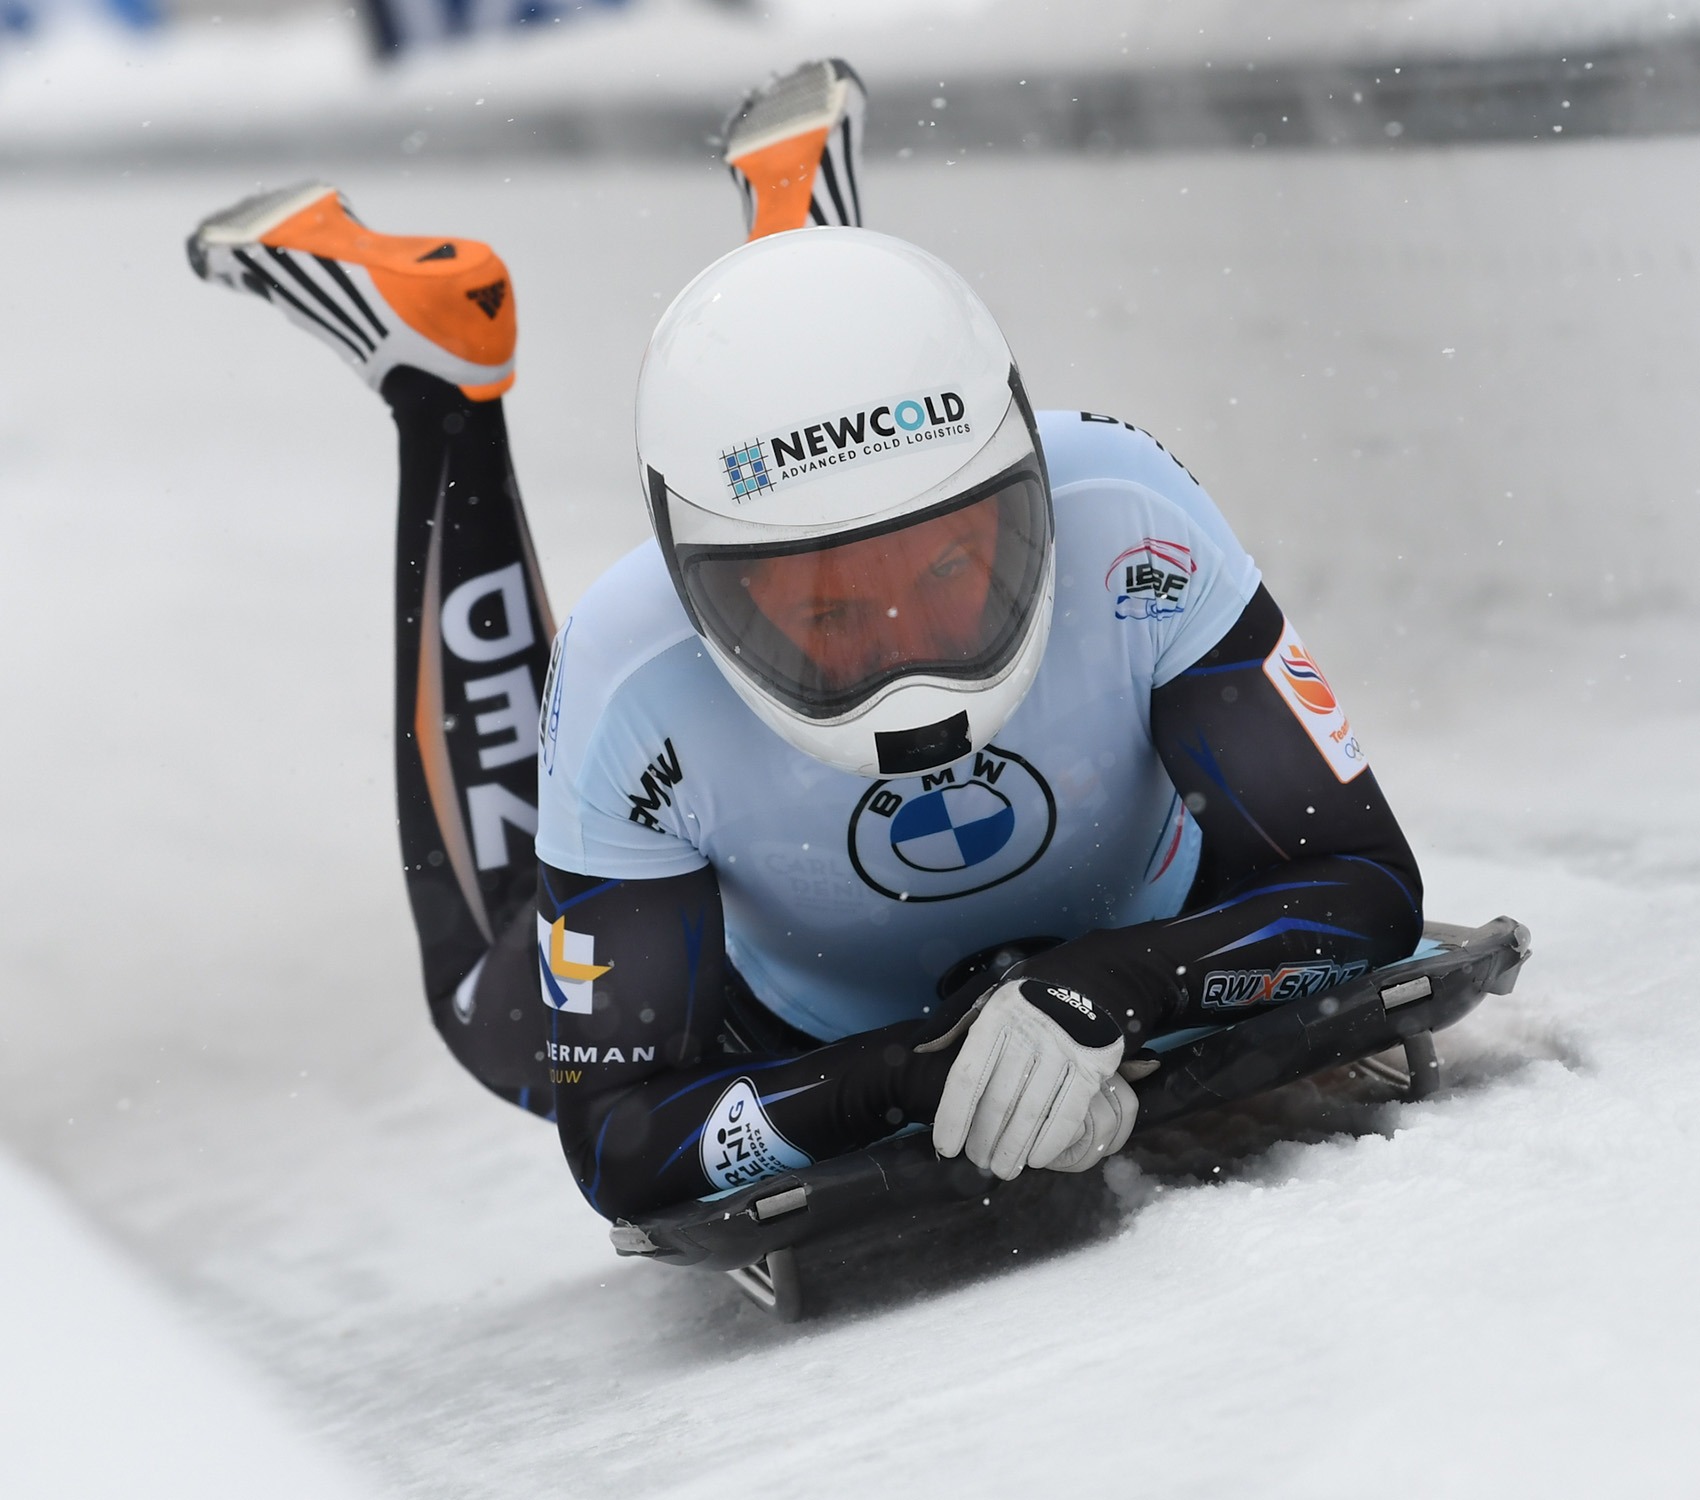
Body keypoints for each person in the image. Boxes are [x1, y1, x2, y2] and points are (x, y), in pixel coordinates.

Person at [187, 59, 1421, 1224]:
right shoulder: (632, 669)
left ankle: (796, 251)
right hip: (772, 1003)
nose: (907, 662)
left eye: (948, 569)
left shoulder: (1128, 517)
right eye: (826, 610)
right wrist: (913, 1072)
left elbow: (1365, 882)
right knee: (493, 1009)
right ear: (701, 583)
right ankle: (442, 388)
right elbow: (614, 1134)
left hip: (1021, 957)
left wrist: (1109, 987)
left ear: (1028, 490)